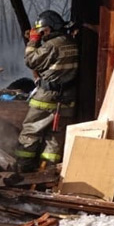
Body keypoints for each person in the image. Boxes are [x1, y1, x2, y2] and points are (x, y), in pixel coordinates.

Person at [14, 11, 79, 172]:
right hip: (67, 96)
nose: (42, 34)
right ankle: (48, 171)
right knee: (54, 135)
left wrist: (32, 42)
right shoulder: (70, 42)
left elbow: (31, 61)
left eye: (42, 31)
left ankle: (23, 167)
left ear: (48, 29)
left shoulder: (52, 45)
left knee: (31, 129)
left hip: (48, 95)